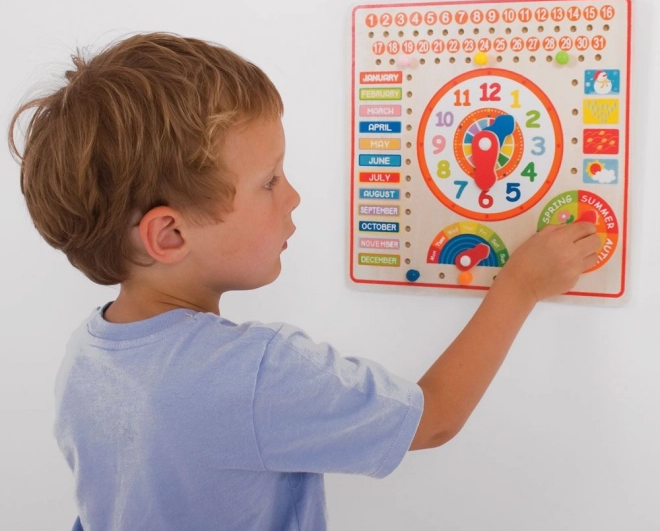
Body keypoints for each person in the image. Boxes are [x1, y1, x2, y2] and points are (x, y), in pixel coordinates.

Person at [8, 33, 600, 531]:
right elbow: (434, 417)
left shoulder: (87, 357)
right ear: (168, 236)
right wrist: (520, 284)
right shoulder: (254, 372)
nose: (293, 196)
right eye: (269, 181)